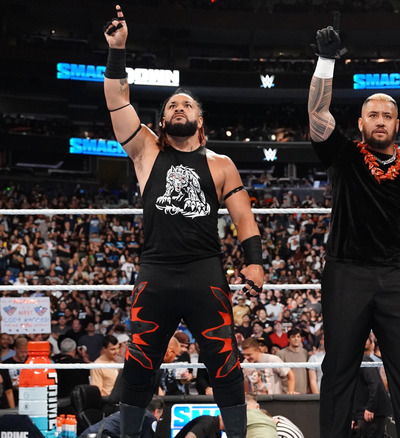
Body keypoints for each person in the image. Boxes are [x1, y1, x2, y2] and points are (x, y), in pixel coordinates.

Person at [102, 6, 265, 438]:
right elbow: (119, 100)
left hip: (204, 272)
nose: (178, 107)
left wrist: (254, 260)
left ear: (200, 119)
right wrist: (117, 51)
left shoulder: (221, 163)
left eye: (186, 103)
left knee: (225, 364)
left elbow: (243, 215)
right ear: (162, 119)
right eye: (172, 104)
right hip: (155, 270)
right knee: (139, 364)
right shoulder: (146, 152)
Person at [307, 15, 400, 438]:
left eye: (388, 115)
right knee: (340, 367)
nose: (381, 120)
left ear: (397, 124)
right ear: (362, 124)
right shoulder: (345, 155)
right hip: (347, 271)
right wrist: (325, 62)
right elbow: (316, 112)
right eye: (373, 114)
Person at [78, 396, 164, 438]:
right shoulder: (149, 417)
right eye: (159, 417)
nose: (158, 419)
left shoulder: (132, 412)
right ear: (156, 411)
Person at [277, 328, 308, 394]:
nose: (296, 339)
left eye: (298, 336)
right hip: (286, 392)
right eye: (293, 337)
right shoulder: (281, 354)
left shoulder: (305, 352)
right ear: (288, 339)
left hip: (303, 392)